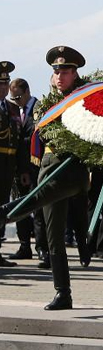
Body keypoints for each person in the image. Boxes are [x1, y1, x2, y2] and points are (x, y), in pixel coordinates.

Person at [0, 46, 92, 309]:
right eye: (56, 71)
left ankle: (6, 212)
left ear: (75, 73)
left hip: (70, 171)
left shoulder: (83, 101)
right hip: (48, 170)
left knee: (39, 198)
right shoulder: (49, 104)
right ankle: (63, 292)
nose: (60, 76)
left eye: (65, 71)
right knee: (53, 239)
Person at [6, 78, 43, 263]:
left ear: (27, 91)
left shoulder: (39, 108)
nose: (17, 101)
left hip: (35, 167)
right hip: (19, 170)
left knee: (38, 209)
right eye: (14, 98)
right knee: (20, 209)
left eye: (19, 97)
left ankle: (41, 248)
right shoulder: (12, 110)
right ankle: (24, 246)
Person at [0, 62, 26, 267]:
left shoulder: (12, 108)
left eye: (5, 83)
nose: (3, 87)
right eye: (0, 83)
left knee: (3, 207)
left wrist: (21, 169)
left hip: (9, 164)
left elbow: (17, 141)